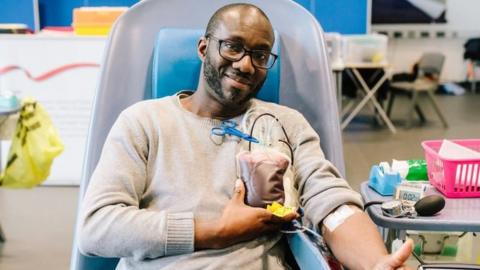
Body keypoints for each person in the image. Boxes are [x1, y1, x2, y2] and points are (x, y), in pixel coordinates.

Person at [78, 3, 413, 270]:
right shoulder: (144, 122)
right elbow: (96, 229)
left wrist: (375, 262)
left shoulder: (286, 125)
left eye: (260, 55)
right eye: (233, 47)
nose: (246, 65)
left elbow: (333, 204)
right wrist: (217, 232)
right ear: (203, 48)